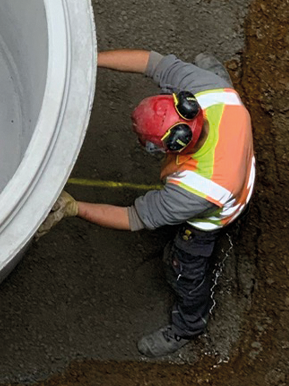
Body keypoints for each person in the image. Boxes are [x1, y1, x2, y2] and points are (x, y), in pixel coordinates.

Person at [39, 49, 255, 359]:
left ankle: (188, 325)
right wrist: (89, 58)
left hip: (218, 210)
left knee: (183, 268)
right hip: (235, 139)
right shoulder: (209, 91)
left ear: (168, 147)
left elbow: (134, 217)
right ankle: (221, 74)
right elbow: (152, 63)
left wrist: (74, 208)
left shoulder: (196, 188)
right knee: (218, 83)